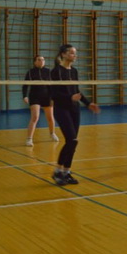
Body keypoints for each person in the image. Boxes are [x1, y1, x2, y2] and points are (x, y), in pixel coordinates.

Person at [49, 44, 100, 185]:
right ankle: (57, 171)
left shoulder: (74, 71)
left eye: (75, 53)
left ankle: (66, 172)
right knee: (72, 140)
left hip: (74, 109)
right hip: (61, 109)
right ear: (63, 54)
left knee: (73, 142)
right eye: (72, 53)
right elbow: (53, 94)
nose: (74, 55)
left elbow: (77, 91)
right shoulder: (56, 72)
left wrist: (88, 103)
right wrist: (69, 98)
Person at [22, 54, 58, 147]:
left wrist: (53, 97)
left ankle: (52, 133)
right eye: (39, 60)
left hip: (47, 96)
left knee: (50, 117)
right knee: (35, 117)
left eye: (43, 60)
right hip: (35, 97)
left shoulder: (48, 72)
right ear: (35, 62)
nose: (41, 61)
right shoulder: (30, 72)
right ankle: (29, 139)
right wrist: (25, 96)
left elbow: (52, 86)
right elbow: (25, 85)